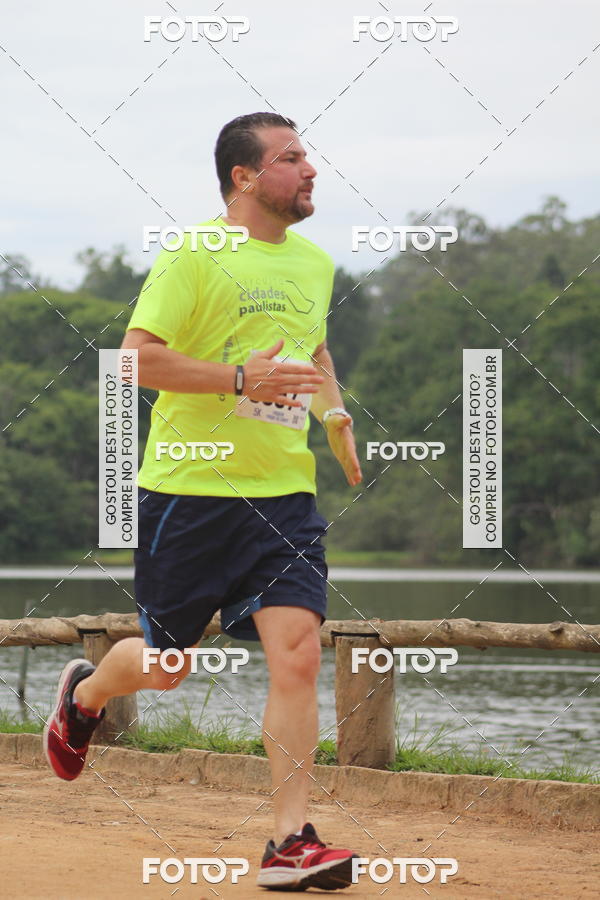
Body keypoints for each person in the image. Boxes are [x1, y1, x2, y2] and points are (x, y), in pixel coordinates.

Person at [44, 112, 363, 891]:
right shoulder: (192, 254)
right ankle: (85, 695)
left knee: (297, 652)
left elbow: (315, 348)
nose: (311, 170)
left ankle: (290, 843)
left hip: (283, 497)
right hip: (188, 494)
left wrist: (335, 418)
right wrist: (240, 379)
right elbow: (133, 361)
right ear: (243, 177)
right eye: (291, 158)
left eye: (310, 156)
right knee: (166, 667)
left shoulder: (315, 263)